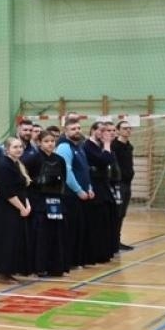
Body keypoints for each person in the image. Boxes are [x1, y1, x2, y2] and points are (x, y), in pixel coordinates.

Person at [0, 136, 32, 280]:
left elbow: (23, 188)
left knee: (15, 240)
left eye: (20, 147)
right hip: (6, 209)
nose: (18, 150)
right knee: (6, 240)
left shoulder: (17, 164)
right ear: (7, 149)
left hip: (17, 207)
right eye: (15, 147)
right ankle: (2, 272)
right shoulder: (4, 165)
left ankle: (10, 271)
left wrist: (27, 205)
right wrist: (21, 208)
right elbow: (7, 192)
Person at [29, 127, 71, 276]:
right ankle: (40, 267)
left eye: (52, 141)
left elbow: (64, 180)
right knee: (42, 236)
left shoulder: (59, 160)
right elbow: (27, 181)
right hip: (40, 203)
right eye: (46, 141)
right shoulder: (33, 159)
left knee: (57, 235)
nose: (50, 144)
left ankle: (57, 267)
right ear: (39, 142)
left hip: (57, 202)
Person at [56, 113, 95, 268]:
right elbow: (67, 171)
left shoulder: (79, 146)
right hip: (70, 196)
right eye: (73, 129)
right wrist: (79, 190)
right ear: (65, 131)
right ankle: (70, 261)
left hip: (83, 195)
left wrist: (90, 187)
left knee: (81, 229)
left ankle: (79, 259)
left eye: (78, 128)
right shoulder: (64, 147)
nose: (77, 131)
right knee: (71, 229)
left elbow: (85, 169)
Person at [82, 120, 120, 265]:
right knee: (96, 221)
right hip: (94, 185)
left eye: (108, 131)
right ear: (93, 130)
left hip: (104, 184)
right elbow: (105, 160)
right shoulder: (88, 146)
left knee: (107, 219)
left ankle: (106, 251)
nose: (106, 134)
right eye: (102, 130)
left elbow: (110, 159)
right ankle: (95, 253)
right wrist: (107, 144)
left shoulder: (99, 146)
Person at [114, 120, 136, 251]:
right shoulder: (114, 146)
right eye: (124, 128)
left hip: (127, 183)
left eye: (129, 128)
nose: (128, 130)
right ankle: (113, 241)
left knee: (122, 213)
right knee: (117, 213)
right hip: (118, 183)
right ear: (118, 130)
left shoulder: (129, 146)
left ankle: (118, 240)